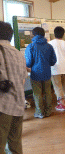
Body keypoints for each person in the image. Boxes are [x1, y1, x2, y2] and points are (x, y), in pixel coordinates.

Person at [0, 22, 28, 154]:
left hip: (2, 106)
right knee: (15, 144)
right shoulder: (18, 53)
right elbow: (23, 79)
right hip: (18, 104)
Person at [25, 27, 57, 118]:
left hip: (35, 74)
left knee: (37, 94)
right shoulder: (49, 46)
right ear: (43, 34)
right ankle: (48, 111)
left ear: (34, 35)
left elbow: (28, 62)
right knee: (47, 92)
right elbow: (53, 61)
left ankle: (39, 113)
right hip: (47, 73)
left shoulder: (31, 46)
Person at [49, 26, 65, 111]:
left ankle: (62, 104)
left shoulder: (50, 43)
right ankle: (64, 101)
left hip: (55, 68)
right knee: (64, 85)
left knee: (57, 85)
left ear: (54, 34)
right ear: (63, 34)